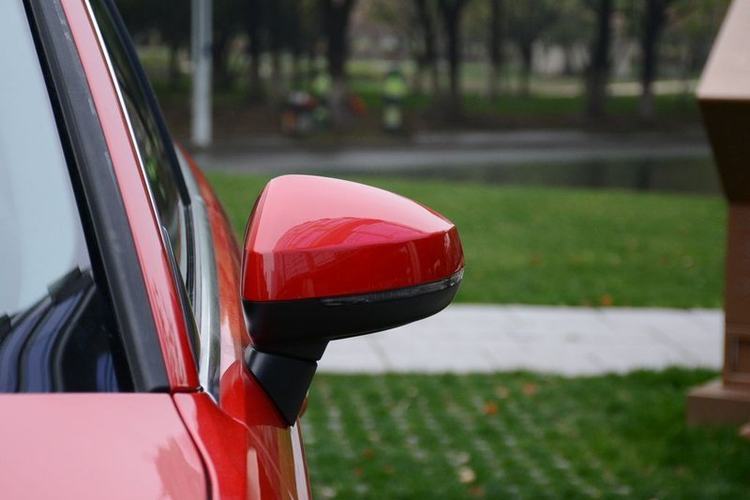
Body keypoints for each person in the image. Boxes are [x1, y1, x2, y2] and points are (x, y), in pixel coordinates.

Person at [382, 67, 407, 133]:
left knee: (389, 112)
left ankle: (388, 125)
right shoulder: (400, 80)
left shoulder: (388, 79)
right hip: (397, 98)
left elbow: (384, 88)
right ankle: (395, 126)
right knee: (396, 112)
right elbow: (403, 89)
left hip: (388, 97)